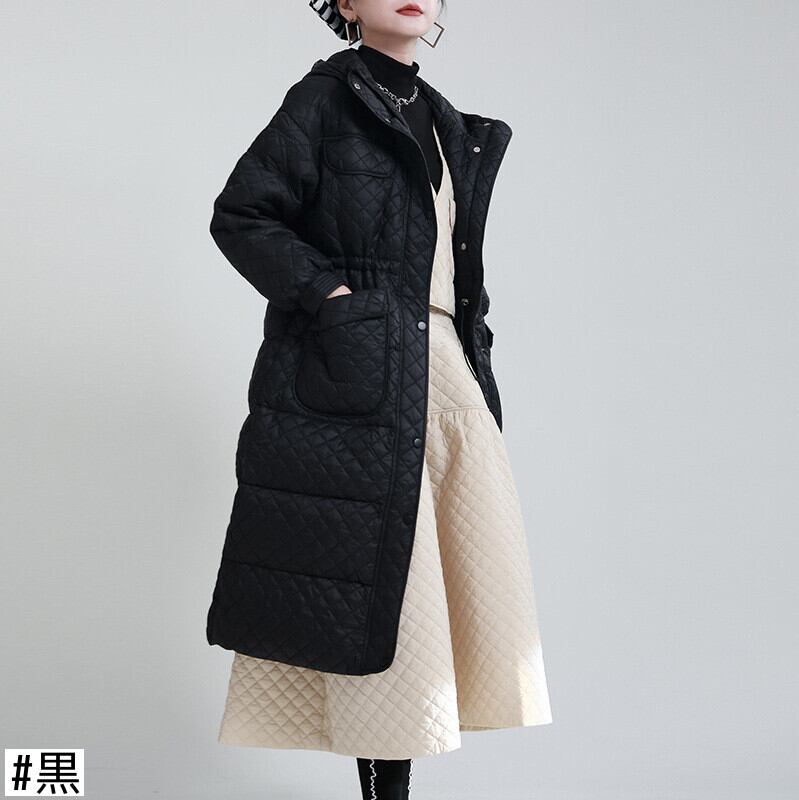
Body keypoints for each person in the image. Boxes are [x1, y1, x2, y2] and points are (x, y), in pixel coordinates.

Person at [205, 2, 553, 797]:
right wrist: (333, 299)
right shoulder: (324, 100)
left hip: (445, 375)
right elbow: (242, 214)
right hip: (361, 378)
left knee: (439, 604)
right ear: (344, 5)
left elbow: (453, 271)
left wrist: (471, 344)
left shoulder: (448, 124)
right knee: (392, 607)